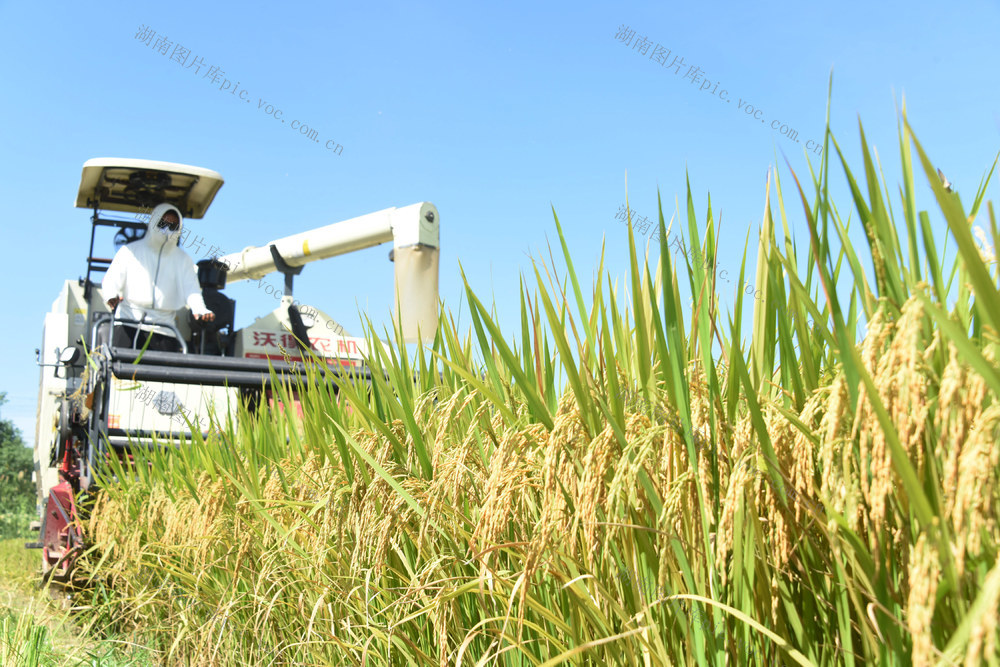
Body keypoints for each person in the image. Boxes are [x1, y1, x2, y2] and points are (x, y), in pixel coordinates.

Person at [102, 203, 214, 352]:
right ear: (154, 222)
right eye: (163, 223)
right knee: (119, 372)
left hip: (164, 328)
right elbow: (112, 279)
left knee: (162, 374)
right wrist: (111, 295)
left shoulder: (182, 259)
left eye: (173, 226)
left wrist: (200, 309)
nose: (167, 229)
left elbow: (191, 289)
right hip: (128, 322)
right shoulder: (130, 251)